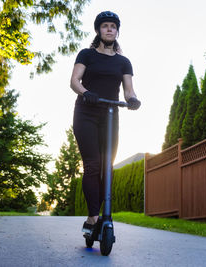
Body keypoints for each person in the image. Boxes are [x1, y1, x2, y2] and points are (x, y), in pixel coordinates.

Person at [70, 11, 141, 234]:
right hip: (86, 113)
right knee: (92, 166)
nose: (109, 29)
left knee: (107, 167)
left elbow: (129, 90)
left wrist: (132, 100)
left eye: (113, 26)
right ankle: (93, 218)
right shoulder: (87, 55)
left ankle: (101, 216)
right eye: (105, 26)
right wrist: (86, 92)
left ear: (117, 30)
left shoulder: (123, 62)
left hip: (110, 114)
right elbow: (74, 81)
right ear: (98, 30)